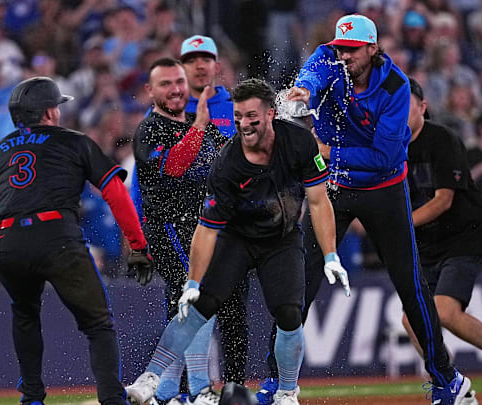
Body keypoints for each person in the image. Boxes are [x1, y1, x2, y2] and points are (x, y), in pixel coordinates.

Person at [260, 14, 471, 405]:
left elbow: (384, 155)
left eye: (353, 50)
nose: (345, 56)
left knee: (411, 286)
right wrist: (304, 92)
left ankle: (446, 379)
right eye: (342, 48)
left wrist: (326, 153)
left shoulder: (395, 86)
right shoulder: (330, 59)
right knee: (300, 282)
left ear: (373, 49)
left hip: (384, 189)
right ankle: (279, 381)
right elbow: (313, 73)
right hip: (335, 190)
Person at [126, 78, 348, 405]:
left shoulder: (300, 143)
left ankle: (287, 392)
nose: (244, 124)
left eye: (252, 117)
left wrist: (330, 255)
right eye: (238, 116)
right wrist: (193, 282)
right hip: (236, 238)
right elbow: (207, 229)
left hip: (281, 239)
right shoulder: (227, 163)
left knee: (289, 313)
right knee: (198, 305)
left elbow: (318, 201)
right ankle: (152, 377)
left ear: (271, 114)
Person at [0, 76, 153, 405]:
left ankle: (31, 398)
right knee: (98, 323)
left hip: (7, 242)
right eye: (56, 107)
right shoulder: (74, 141)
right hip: (56, 236)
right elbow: (114, 191)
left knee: (26, 315)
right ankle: (112, 399)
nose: (59, 113)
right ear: (47, 113)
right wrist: (139, 245)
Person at [402, 78, 482, 404]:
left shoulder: (442, 140)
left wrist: (399, 226)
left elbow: (443, 200)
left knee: (444, 312)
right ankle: (451, 383)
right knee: (411, 320)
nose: (397, 113)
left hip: (464, 235)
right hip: (430, 242)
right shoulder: (392, 148)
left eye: (404, 104)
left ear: (423, 106)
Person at [132, 57, 225, 405]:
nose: (175, 90)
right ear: (150, 90)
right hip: (171, 227)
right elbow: (173, 166)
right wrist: (199, 125)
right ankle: (195, 389)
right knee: (192, 302)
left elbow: (229, 162)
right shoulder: (149, 130)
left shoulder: (203, 127)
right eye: (166, 84)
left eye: (179, 82)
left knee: (192, 306)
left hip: (202, 227)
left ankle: (169, 392)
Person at [180, 34, 248, 387]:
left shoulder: (237, 106)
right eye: (192, 60)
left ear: (217, 65)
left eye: (206, 58)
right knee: (186, 308)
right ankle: (185, 389)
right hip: (187, 221)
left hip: (232, 224)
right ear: (182, 67)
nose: (200, 65)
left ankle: (234, 385)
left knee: (233, 310)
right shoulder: (168, 110)